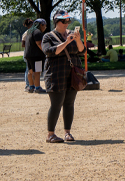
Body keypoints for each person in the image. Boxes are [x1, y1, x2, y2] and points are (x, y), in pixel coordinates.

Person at [41, 10, 86, 143]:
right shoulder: (48, 36)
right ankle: (50, 134)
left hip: (73, 74)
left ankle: (67, 132)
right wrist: (66, 42)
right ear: (57, 22)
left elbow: (82, 51)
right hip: (55, 74)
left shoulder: (72, 34)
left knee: (69, 103)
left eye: (68, 21)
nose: (67, 23)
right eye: (64, 21)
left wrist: (77, 40)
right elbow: (49, 51)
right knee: (56, 103)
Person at [24, 19, 48, 94]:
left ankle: (31, 87)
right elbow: (39, 43)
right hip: (36, 55)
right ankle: (37, 88)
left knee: (30, 72)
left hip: (28, 55)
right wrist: (46, 51)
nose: (45, 27)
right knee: (37, 72)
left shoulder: (29, 32)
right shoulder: (37, 32)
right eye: (45, 25)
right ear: (41, 25)